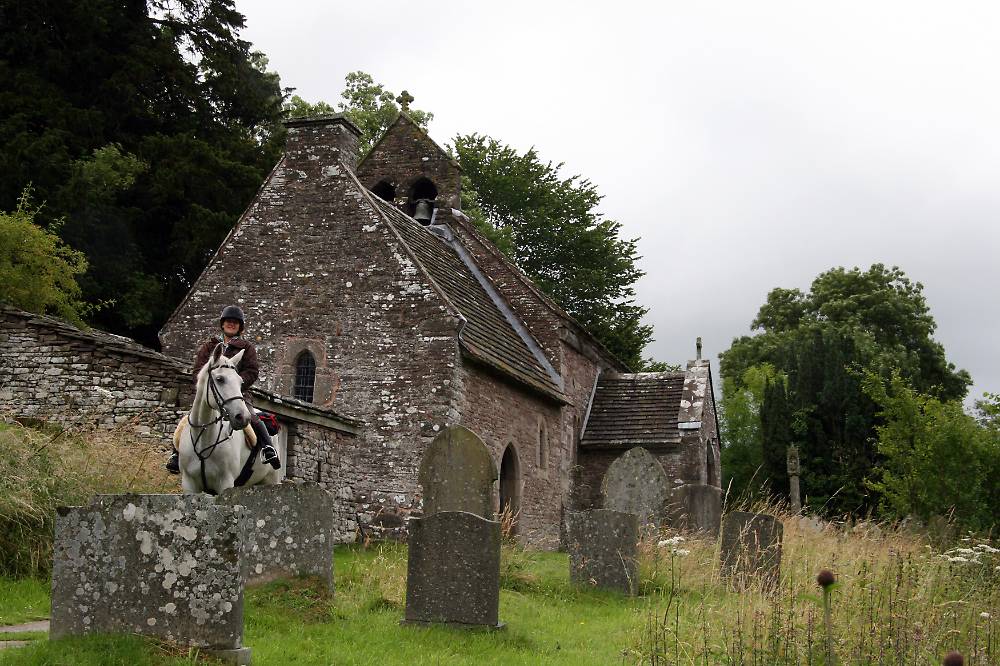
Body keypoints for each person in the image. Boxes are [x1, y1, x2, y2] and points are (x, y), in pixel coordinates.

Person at [166, 305, 280, 474]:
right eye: (228, 322)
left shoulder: (246, 347)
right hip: (211, 395)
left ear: (240, 326)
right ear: (222, 324)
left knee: (253, 418)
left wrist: (237, 382)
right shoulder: (208, 347)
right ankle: (177, 455)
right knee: (187, 421)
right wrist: (205, 386)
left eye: (235, 322)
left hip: (237, 393)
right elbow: (198, 371)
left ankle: (268, 449)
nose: (231, 324)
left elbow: (252, 371)